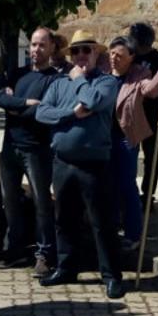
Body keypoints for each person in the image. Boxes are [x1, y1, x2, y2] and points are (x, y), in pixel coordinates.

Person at [36, 30, 124, 299]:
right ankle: (66, 267)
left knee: (102, 223)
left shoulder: (106, 83)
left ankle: (112, 276)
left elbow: (92, 101)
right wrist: (70, 113)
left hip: (93, 164)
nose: (81, 56)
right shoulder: (58, 83)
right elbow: (42, 112)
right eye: (75, 51)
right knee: (64, 220)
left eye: (86, 50)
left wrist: (79, 82)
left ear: (96, 53)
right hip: (62, 163)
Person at [0, 27, 59, 274]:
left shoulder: (55, 79)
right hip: (10, 147)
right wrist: (22, 103)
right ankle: (16, 251)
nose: (36, 50)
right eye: (33, 44)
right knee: (10, 203)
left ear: (52, 47)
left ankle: (45, 253)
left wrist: (17, 108)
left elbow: (42, 112)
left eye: (42, 45)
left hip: (36, 151)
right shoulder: (17, 74)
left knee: (42, 204)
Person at [108, 36, 158, 245]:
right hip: (102, 138)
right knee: (108, 185)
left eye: (120, 55)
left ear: (131, 57)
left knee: (126, 185)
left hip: (125, 138)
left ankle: (133, 234)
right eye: (112, 53)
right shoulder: (104, 72)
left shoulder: (138, 74)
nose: (114, 58)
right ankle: (111, 228)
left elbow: (151, 90)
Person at [130, 23, 158, 207]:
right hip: (133, 114)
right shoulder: (131, 55)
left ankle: (148, 194)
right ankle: (129, 191)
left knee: (151, 157)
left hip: (151, 114)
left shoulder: (157, 58)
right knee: (130, 155)